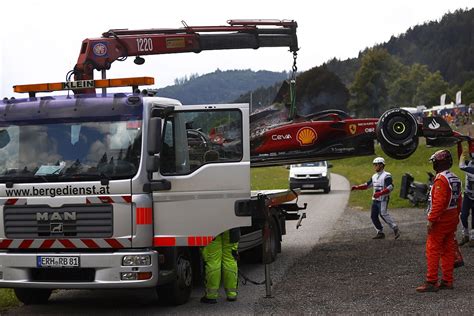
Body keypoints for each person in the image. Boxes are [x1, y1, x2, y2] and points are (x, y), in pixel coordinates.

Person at [416, 149, 462, 292]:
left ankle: (431, 281)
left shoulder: (441, 179)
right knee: (448, 250)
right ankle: (447, 281)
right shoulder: (454, 177)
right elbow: (459, 200)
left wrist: (431, 220)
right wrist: (456, 216)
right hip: (452, 217)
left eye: (435, 162)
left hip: (441, 220)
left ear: (439, 163)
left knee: (433, 249)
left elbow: (439, 202)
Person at [351, 157, 400, 239]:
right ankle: (379, 232)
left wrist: (380, 193)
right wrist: (357, 187)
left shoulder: (387, 175)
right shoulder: (374, 176)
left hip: (383, 199)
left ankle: (395, 228)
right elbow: (367, 185)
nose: (375, 166)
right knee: (373, 216)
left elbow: (390, 187)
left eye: (376, 165)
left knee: (383, 214)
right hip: (375, 200)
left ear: (381, 165)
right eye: (374, 165)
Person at [200, 228, 240, 303]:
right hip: (231, 226)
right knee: (230, 259)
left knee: (213, 260)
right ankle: (232, 294)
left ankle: (211, 295)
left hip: (211, 225)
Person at [457, 141, 474, 247]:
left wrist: (463, 154)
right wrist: (459, 146)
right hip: (468, 195)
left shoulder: (470, 168)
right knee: (463, 216)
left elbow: (462, 166)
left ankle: (472, 237)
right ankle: (466, 235)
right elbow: (461, 158)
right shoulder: (471, 163)